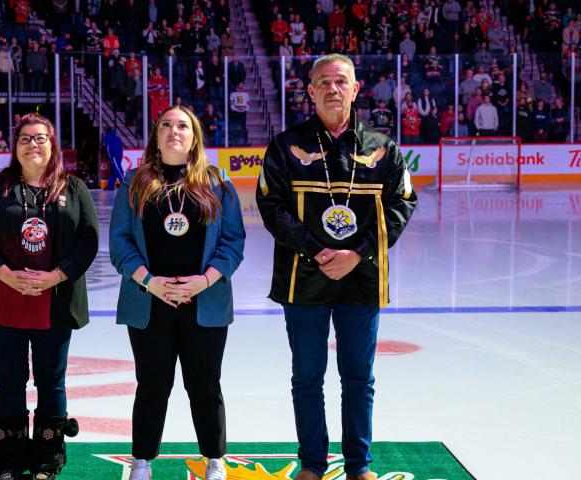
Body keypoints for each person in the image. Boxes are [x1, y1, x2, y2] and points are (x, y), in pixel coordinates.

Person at [255, 54, 417, 480]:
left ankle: (358, 465)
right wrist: (315, 251)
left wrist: (357, 254)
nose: (332, 88)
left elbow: (403, 203)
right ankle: (312, 463)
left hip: (361, 280)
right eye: (323, 82)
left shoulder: (383, 149)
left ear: (355, 89)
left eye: (340, 81)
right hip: (303, 278)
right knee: (307, 377)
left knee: (358, 378)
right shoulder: (285, 147)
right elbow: (270, 206)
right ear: (310, 91)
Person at [109, 105, 246, 480]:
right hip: (149, 301)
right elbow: (120, 243)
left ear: (194, 136)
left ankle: (214, 459)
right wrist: (150, 282)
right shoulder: (134, 183)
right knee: (152, 383)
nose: (174, 131)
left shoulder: (217, 184)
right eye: (166, 125)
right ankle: (142, 460)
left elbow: (233, 242)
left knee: (204, 384)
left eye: (182, 125)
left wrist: (203, 281)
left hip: (205, 301)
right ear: (156, 135)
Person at [0, 113, 98, 480]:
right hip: (5, 299)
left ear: (52, 144)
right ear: (15, 146)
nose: (33, 144)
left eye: (41, 138)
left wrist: (55, 275)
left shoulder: (72, 188)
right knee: (9, 381)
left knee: (50, 380)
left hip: (53, 301)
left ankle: (47, 456)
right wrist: (5, 274)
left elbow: (88, 241)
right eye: (25, 138)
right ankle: (9, 456)